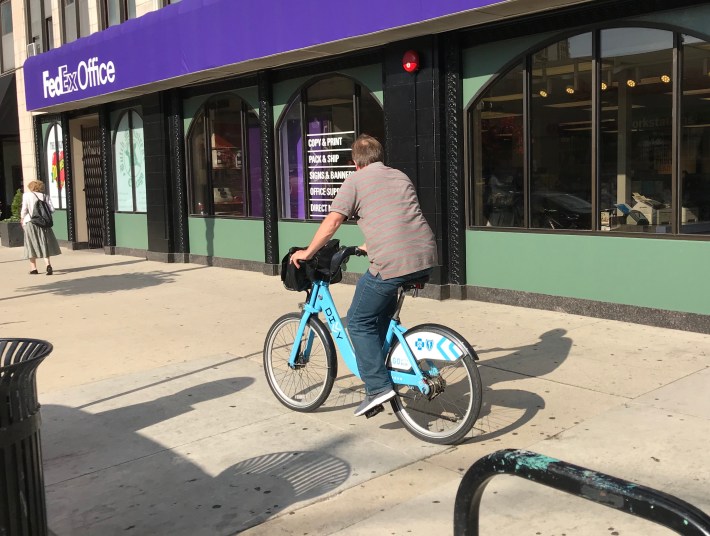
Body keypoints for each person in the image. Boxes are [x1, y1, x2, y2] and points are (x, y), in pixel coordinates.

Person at [290, 134, 437, 417]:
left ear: (354, 163)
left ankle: (378, 387)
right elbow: (399, 218)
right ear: (380, 156)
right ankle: (384, 366)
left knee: (357, 321)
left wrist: (308, 252)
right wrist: (365, 247)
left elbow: (333, 221)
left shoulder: (355, 180)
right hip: (425, 255)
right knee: (377, 316)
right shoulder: (399, 176)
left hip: (393, 261)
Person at [20, 180, 61, 275]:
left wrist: (22, 219)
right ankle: (48, 265)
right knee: (44, 243)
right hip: (43, 223)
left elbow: (24, 209)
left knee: (31, 244)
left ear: (31, 187)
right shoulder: (45, 196)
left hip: (30, 222)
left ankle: (33, 268)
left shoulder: (27, 195)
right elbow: (52, 210)